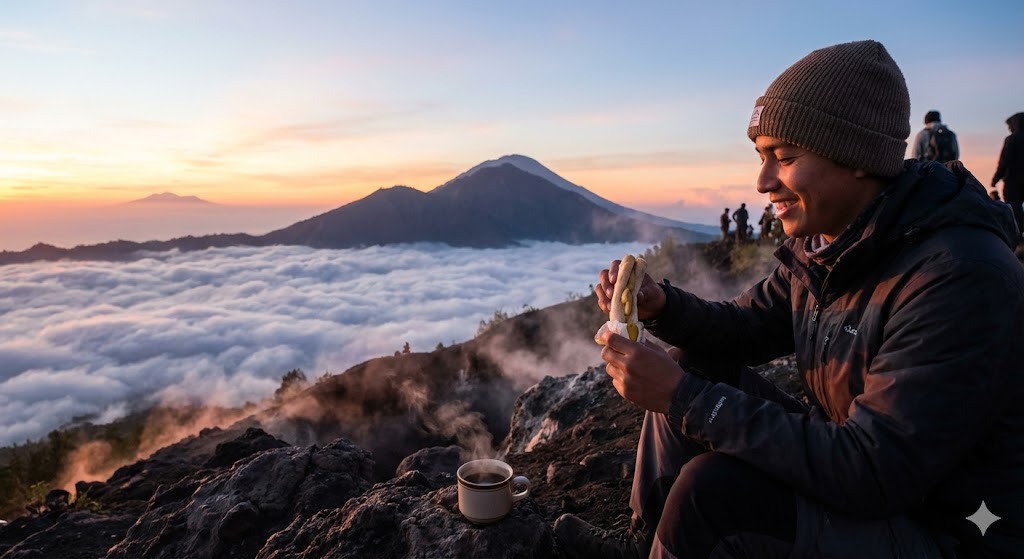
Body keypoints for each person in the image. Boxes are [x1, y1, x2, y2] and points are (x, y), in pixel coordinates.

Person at [553, 40, 1024, 559]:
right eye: (761, 157)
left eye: (785, 157)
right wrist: (661, 305)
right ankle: (647, 544)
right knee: (693, 365)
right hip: (878, 485)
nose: (762, 182)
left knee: (714, 496)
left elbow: (874, 470)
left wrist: (684, 399)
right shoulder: (832, 245)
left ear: (857, 157)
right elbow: (743, 328)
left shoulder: (958, 277)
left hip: (950, 532)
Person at [993, 112, 1024, 241]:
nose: (1009, 128)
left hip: (1013, 180)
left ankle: (1018, 235)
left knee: (1013, 208)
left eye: (1010, 125)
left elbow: (1004, 161)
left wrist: (995, 179)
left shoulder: (1012, 139)